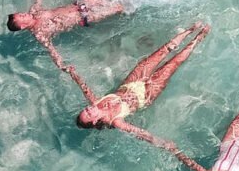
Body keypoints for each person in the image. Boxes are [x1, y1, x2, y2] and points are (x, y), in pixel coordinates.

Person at [76, 23, 210, 128]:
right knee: (172, 64)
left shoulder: (95, 102)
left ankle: (190, 30)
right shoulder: (116, 121)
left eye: (85, 109)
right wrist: (163, 144)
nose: (88, 109)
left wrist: (70, 71)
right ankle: (198, 39)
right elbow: (139, 133)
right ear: (94, 121)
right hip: (146, 96)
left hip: (131, 83)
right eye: (88, 113)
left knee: (161, 52)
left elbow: (83, 86)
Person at [7, 0, 156, 60]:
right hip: (85, 17)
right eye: (21, 16)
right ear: (22, 26)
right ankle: (148, 4)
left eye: (20, 13)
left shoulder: (35, 12)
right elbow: (51, 49)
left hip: (80, 4)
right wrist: (61, 64)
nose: (23, 13)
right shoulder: (39, 33)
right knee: (118, 8)